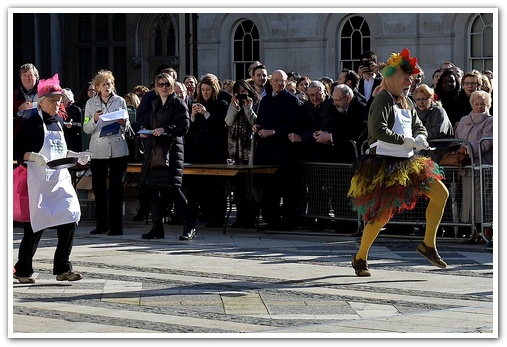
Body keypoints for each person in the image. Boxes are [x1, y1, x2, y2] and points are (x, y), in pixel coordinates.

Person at [348, 48, 449, 277]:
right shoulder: (382, 98)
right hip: (383, 163)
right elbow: (377, 130)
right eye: (405, 79)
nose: (409, 83)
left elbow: (417, 125)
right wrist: (407, 140)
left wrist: (420, 136)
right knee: (382, 214)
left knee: (440, 193)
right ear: (393, 78)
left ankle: (428, 245)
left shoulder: (406, 101)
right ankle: (360, 257)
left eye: (411, 80)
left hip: (407, 161)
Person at [13, 73, 91, 283]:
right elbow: (15, 150)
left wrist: (76, 155)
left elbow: (61, 150)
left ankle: (63, 268)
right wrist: (32, 157)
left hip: (60, 179)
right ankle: (22, 270)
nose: (58, 104)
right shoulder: (31, 123)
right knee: (34, 228)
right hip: (38, 182)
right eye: (53, 101)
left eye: (59, 100)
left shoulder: (58, 121)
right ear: (42, 102)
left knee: (70, 217)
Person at [138, 73, 196, 240]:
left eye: (167, 85)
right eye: (161, 84)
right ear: (156, 87)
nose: (164, 87)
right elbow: (152, 124)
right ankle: (157, 228)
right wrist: (146, 132)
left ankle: (189, 226)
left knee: (173, 189)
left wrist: (166, 129)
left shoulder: (177, 103)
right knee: (151, 189)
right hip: (155, 151)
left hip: (171, 152)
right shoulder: (156, 103)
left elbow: (184, 126)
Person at [83, 69, 130, 236]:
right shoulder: (90, 104)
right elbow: (86, 128)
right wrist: (95, 119)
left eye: (109, 84)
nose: (107, 87)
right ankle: (101, 224)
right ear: (97, 87)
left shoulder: (120, 101)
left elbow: (128, 126)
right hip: (98, 151)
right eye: (104, 84)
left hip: (117, 150)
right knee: (99, 188)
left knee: (117, 189)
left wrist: (123, 122)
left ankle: (117, 226)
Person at [253, 69, 299, 230]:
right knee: (268, 189)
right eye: (276, 80)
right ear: (271, 82)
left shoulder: (291, 101)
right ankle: (270, 219)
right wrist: (257, 126)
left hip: (282, 152)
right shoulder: (265, 100)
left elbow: (292, 125)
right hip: (265, 152)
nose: (279, 83)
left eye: (282, 81)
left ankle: (284, 221)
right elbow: (260, 120)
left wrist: (272, 132)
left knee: (283, 188)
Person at [185, 75, 230, 227]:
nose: (205, 93)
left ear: (213, 90)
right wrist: (192, 116)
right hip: (200, 151)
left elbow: (220, 126)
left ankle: (218, 218)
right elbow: (191, 129)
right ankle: (206, 215)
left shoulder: (221, 104)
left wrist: (206, 113)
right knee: (202, 187)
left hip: (215, 152)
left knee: (216, 188)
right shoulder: (197, 103)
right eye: (203, 90)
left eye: (208, 90)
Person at [454, 90, 493, 244]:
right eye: (476, 104)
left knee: (484, 201)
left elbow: (487, 142)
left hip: (483, 167)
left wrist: (468, 148)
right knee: (469, 201)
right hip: (467, 168)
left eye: (483, 104)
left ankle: (486, 233)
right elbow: (457, 139)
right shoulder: (464, 120)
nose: (479, 107)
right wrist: (460, 150)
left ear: (488, 104)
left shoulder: (491, 121)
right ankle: (474, 232)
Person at [225, 79, 260, 228]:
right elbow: (228, 122)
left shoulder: (257, 102)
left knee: (250, 187)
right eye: (238, 93)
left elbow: (256, 122)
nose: (242, 96)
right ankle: (240, 218)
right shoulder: (234, 104)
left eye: (244, 92)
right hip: (236, 150)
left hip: (250, 149)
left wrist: (248, 108)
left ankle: (251, 218)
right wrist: (234, 107)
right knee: (239, 187)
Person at [314, 83, 368, 162]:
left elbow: (355, 131)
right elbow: (334, 125)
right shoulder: (336, 108)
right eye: (333, 100)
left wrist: (331, 137)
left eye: (337, 100)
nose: (335, 103)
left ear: (348, 98)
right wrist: (324, 135)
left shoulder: (360, 109)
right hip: (338, 155)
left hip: (355, 157)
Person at [13, 63, 68, 138]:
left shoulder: (48, 92)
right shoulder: (13, 97)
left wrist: (47, 110)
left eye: (30, 75)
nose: (27, 78)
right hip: (22, 137)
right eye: (24, 75)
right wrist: (18, 111)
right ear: (20, 77)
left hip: (45, 135)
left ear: (36, 77)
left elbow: (63, 114)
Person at [412, 84, 454, 162]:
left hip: (437, 153)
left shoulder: (438, 111)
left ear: (431, 99)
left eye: (424, 99)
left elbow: (437, 131)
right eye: (418, 99)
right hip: (417, 153)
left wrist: (419, 137)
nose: (421, 102)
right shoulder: (413, 112)